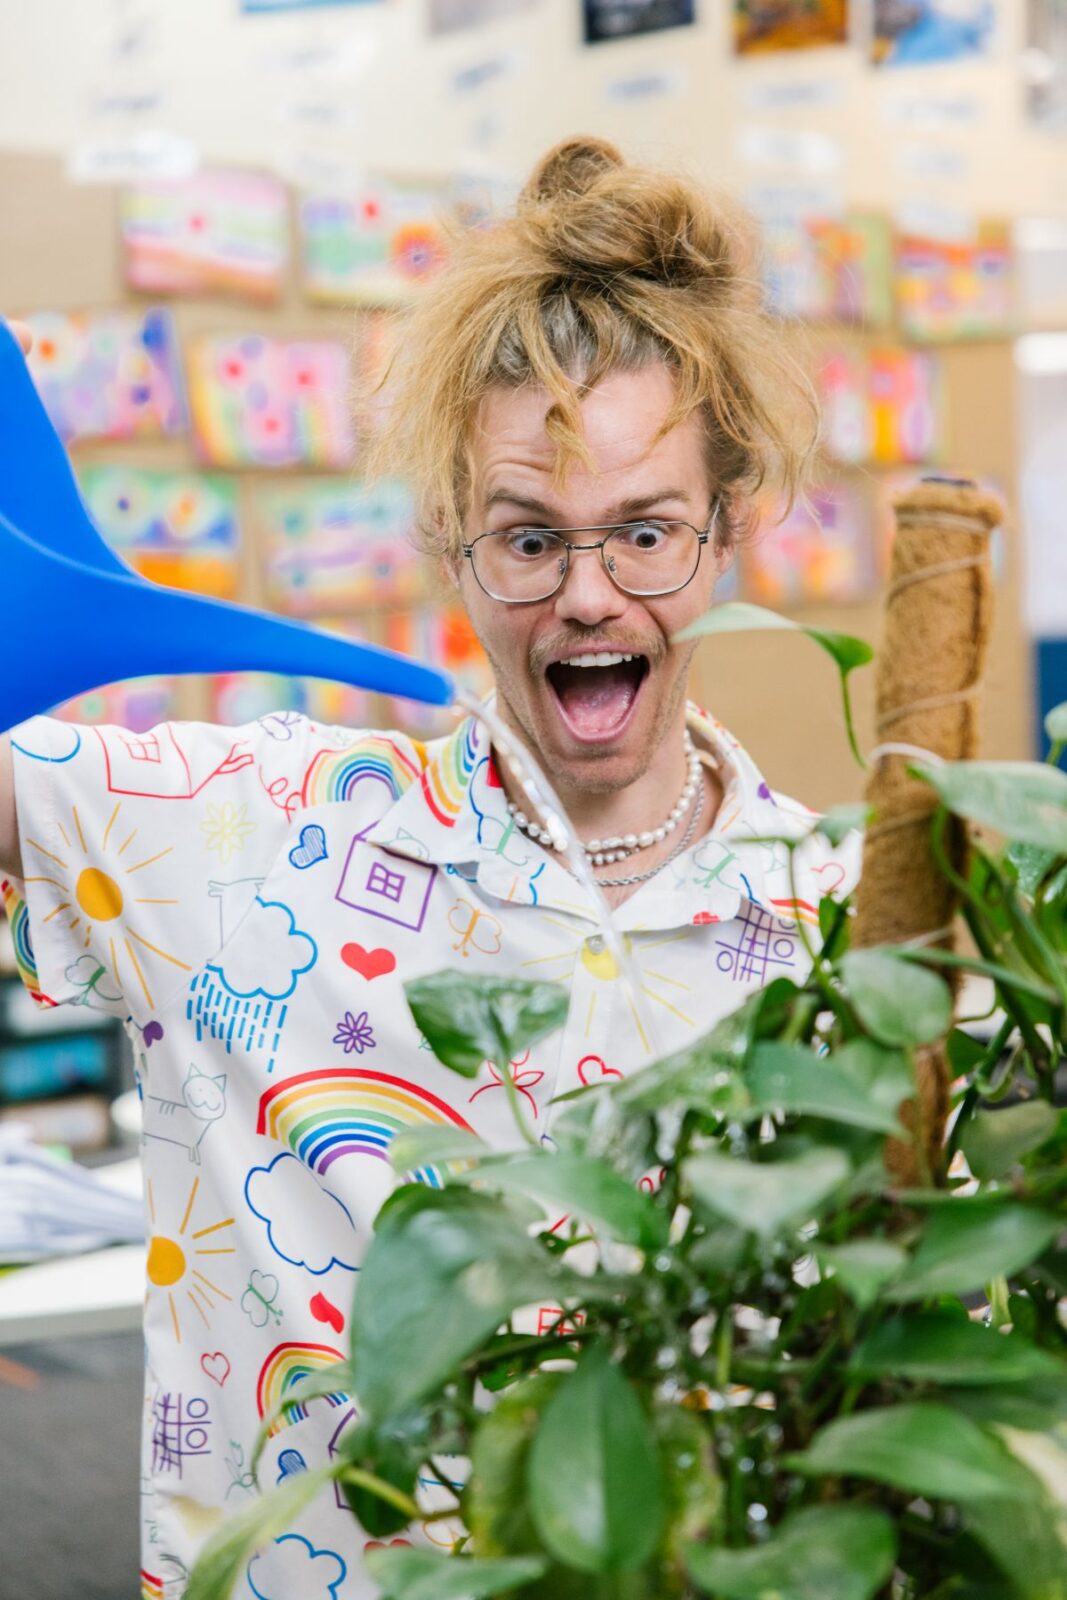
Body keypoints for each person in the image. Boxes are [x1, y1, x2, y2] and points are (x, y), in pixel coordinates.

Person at [0, 138, 857, 1600]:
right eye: (529, 538)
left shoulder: (846, 932)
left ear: (726, 533)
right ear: (452, 550)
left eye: (643, 532)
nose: (589, 593)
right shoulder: (225, 832)